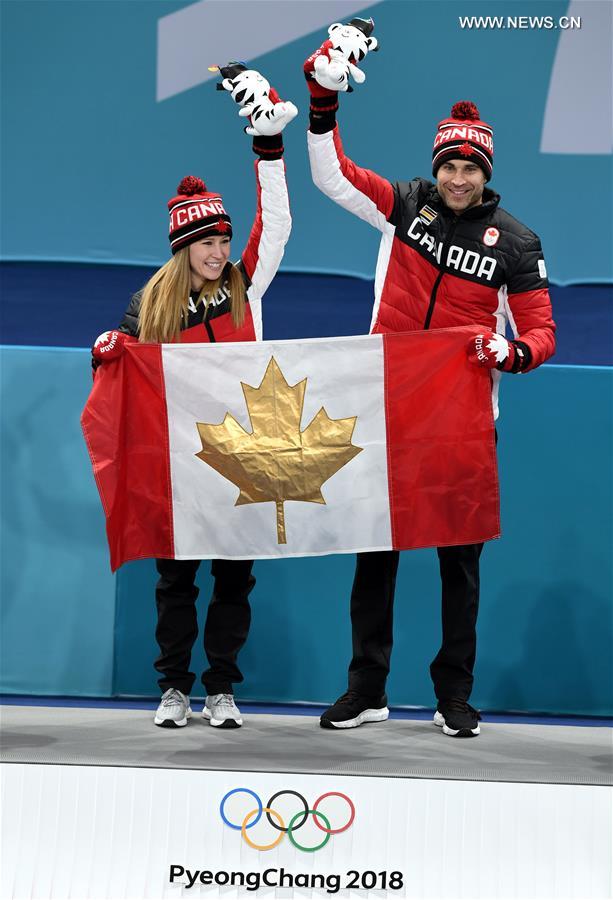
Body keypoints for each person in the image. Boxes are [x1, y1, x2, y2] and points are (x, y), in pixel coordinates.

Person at [304, 20, 556, 737]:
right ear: (436, 165)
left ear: (485, 172)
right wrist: (324, 106)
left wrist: (510, 355)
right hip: (384, 407)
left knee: (458, 565)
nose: (455, 177)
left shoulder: (514, 243)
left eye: (469, 167)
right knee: (374, 554)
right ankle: (367, 688)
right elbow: (331, 175)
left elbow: (540, 333)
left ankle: (453, 695)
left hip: (461, 424)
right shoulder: (405, 205)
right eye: (448, 163)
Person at [91, 66, 295, 729]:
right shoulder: (149, 303)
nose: (218, 250)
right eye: (206, 242)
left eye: (223, 239)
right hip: (179, 463)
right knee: (176, 581)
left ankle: (221, 690)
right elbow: (120, 367)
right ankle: (174, 689)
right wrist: (104, 351)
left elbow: (279, 222)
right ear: (182, 248)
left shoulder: (244, 285)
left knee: (235, 580)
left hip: (243, 457)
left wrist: (269, 149)